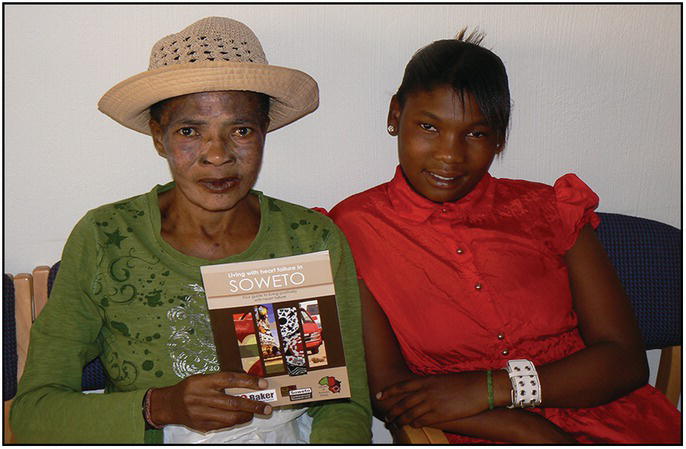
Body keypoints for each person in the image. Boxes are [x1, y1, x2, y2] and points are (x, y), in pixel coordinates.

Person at [10, 17, 371, 444]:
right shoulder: (105, 237)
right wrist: (159, 406)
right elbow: (34, 415)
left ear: (263, 133)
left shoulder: (310, 239)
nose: (217, 156)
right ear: (158, 137)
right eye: (189, 131)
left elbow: (344, 404)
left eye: (240, 130)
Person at [329, 30, 680, 443]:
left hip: (611, 417)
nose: (449, 155)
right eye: (428, 126)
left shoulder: (550, 209)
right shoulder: (353, 228)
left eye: (476, 133)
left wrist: (493, 389)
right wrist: (529, 429)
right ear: (394, 116)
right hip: (470, 431)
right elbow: (389, 391)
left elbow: (625, 361)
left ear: (499, 137)